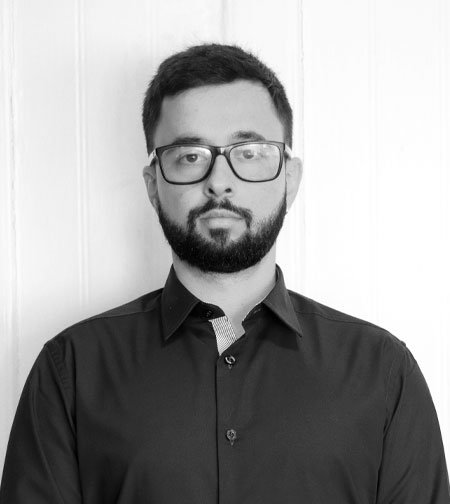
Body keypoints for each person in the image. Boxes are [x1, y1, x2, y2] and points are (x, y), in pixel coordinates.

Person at [0, 43, 449, 504]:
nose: (219, 181)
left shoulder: (384, 374)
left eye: (249, 152)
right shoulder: (72, 371)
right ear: (153, 185)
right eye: (190, 156)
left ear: (290, 179)